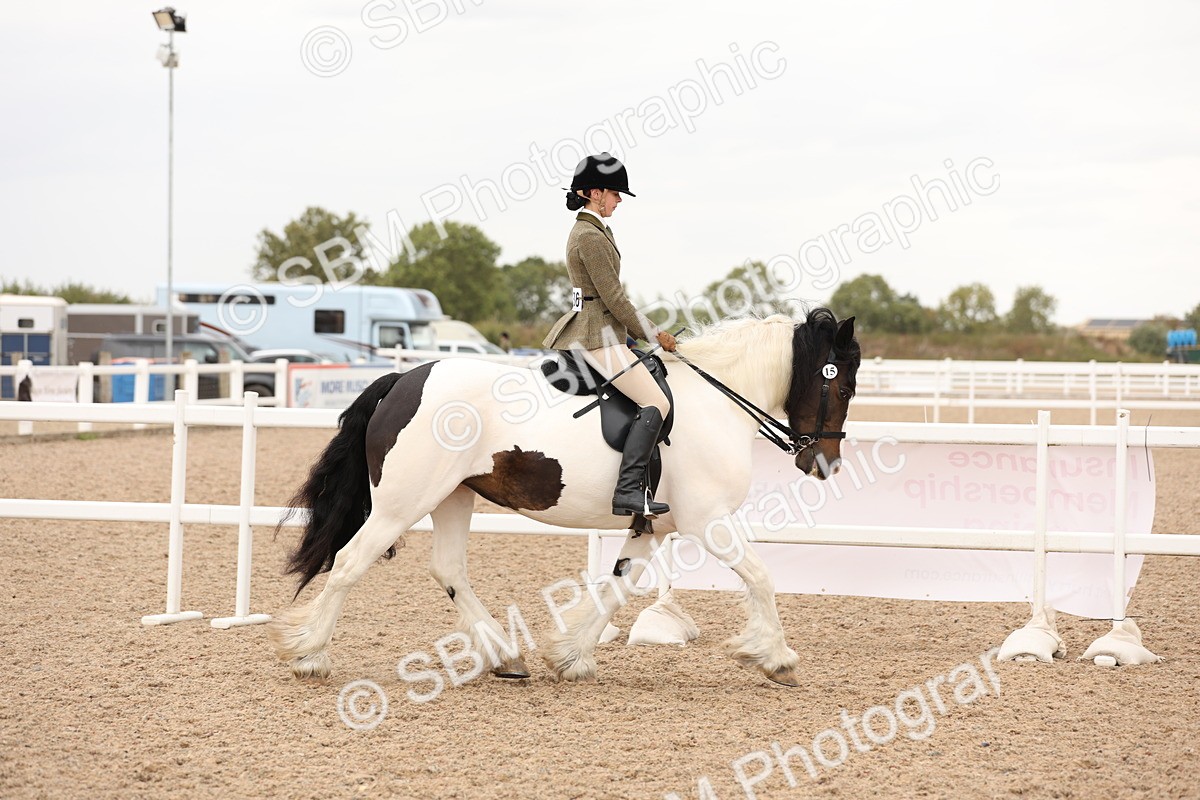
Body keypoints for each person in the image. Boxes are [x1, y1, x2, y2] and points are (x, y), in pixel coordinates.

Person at [543, 153, 677, 518]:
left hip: (603, 330)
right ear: (593, 193)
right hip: (595, 336)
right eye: (615, 193)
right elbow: (614, 298)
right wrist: (654, 333)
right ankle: (629, 491)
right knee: (657, 403)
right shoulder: (589, 236)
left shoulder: (598, 230)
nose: (619, 200)